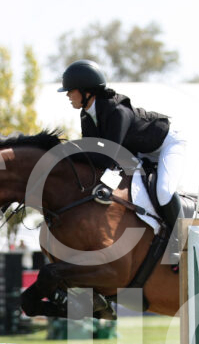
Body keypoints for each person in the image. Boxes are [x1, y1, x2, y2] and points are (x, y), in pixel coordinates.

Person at [58, 59, 185, 231]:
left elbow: (106, 158)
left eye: (70, 90)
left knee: (163, 191)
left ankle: (182, 239)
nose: (67, 95)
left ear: (86, 91)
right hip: (139, 151)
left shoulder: (117, 112)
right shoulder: (86, 116)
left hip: (167, 143)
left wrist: (67, 151)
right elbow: (91, 153)